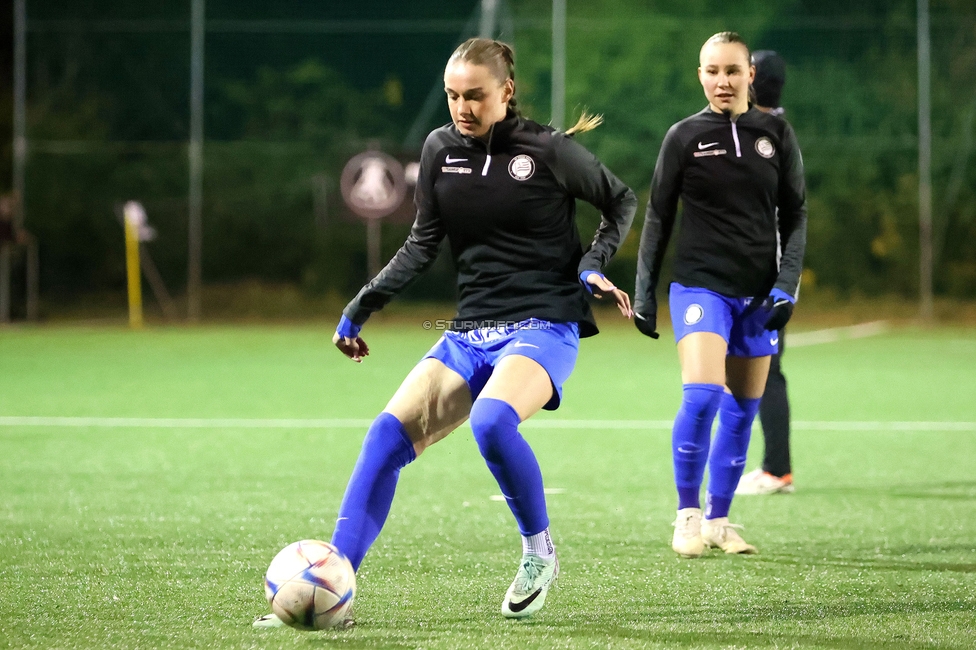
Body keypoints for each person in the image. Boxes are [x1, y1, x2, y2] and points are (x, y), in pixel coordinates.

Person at [255, 37, 637, 626]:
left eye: (475, 96)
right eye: (453, 95)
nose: (462, 107)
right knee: (384, 439)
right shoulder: (440, 150)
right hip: (470, 330)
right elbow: (421, 243)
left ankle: (540, 552)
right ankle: (335, 585)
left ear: (506, 91)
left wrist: (592, 263)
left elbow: (621, 200)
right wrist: (361, 306)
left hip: (544, 324)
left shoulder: (549, 151)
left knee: (491, 420)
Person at [633, 32, 807, 558]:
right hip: (700, 284)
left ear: (750, 74)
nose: (722, 81)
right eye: (712, 71)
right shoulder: (683, 136)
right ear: (700, 75)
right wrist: (644, 291)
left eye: (732, 71)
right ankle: (687, 516)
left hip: (757, 293)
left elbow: (796, 216)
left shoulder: (776, 133)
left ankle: (719, 520)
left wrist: (785, 285)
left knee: (743, 410)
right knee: (704, 393)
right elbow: (659, 218)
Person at [736, 50, 796, 496]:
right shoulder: (776, 129)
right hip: (765, 271)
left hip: (762, 274)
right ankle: (772, 467)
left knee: (765, 370)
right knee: (755, 368)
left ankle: (777, 470)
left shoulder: (762, 133)